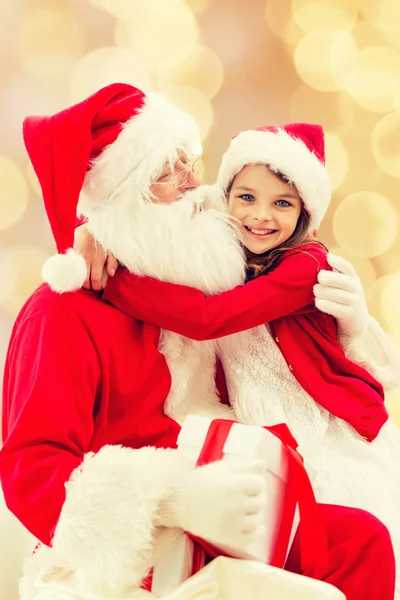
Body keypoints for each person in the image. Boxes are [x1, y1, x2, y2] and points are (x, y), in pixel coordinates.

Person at [0, 84, 395, 600]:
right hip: (134, 546)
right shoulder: (62, 312)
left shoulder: (198, 276)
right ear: (126, 196)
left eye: (192, 161)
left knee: (362, 542)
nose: (194, 183)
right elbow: (32, 469)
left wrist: (357, 327)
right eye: (168, 171)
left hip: (227, 510)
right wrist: (171, 501)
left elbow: (255, 241)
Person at [95, 122, 400, 596]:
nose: (260, 216)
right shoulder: (225, 246)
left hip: (324, 436)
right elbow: (153, 219)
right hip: (262, 437)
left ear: (305, 214)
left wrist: (114, 282)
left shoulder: (306, 264)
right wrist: (94, 235)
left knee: (344, 553)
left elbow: (208, 319)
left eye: (283, 203)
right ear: (225, 196)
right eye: (246, 197)